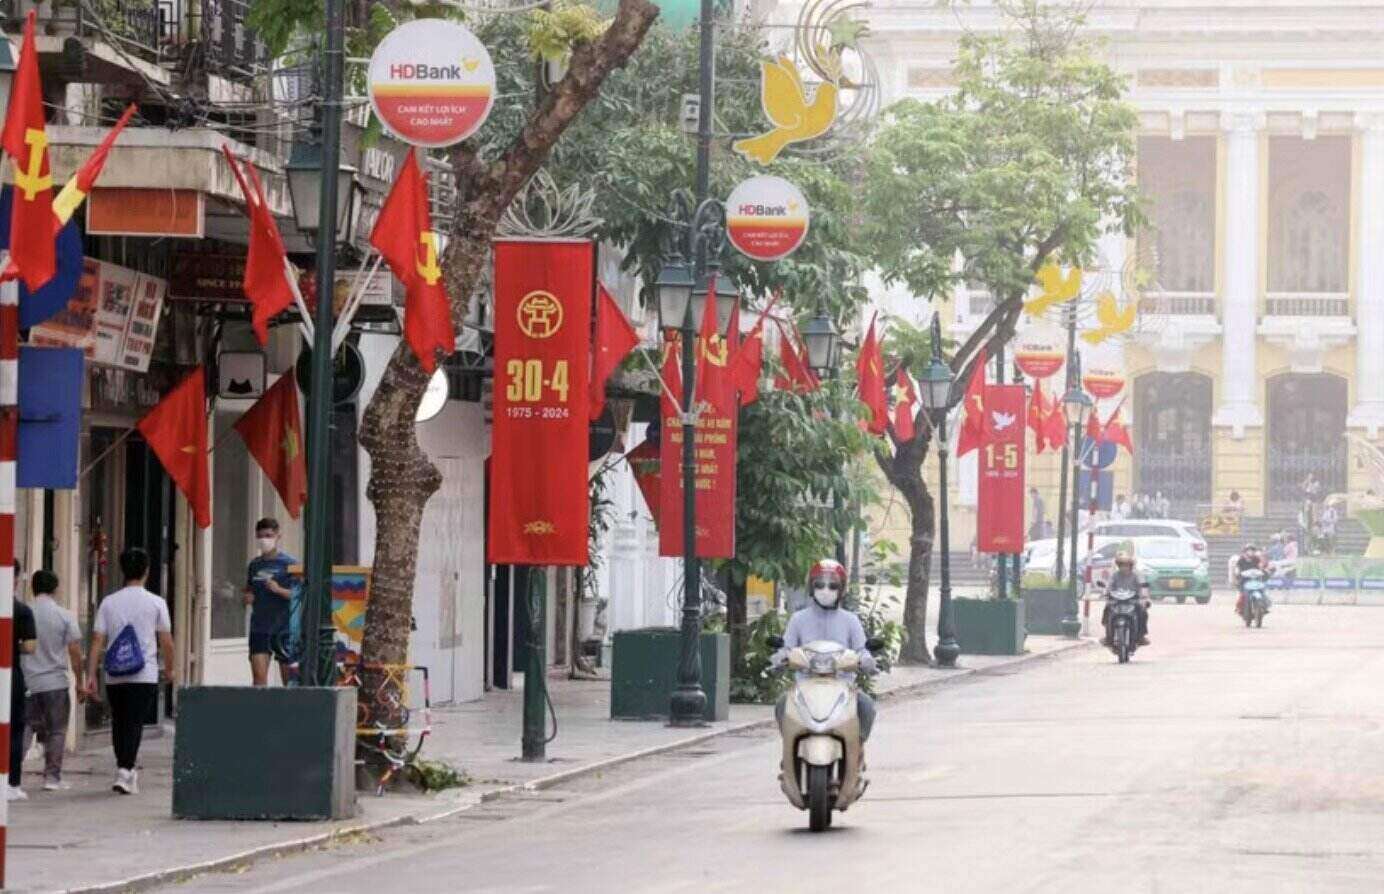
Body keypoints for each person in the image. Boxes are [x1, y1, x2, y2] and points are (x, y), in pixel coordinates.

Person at [86, 548, 174, 795]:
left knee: (119, 720)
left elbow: (96, 640)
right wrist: (171, 669)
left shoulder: (109, 602)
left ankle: (124, 768)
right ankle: (126, 770)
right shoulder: (156, 602)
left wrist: (91, 674)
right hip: (144, 673)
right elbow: (167, 641)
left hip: (115, 673)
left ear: (123, 570)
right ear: (146, 571)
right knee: (134, 722)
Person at [774, 559, 877, 740]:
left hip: (843, 685)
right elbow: (786, 647)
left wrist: (866, 660)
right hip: (805, 685)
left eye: (832, 585)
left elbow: (861, 649)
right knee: (782, 704)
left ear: (841, 589)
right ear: (812, 588)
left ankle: (858, 747)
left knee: (866, 705)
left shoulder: (850, 620)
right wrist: (780, 658)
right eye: (820, 585)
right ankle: (788, 752)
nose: (825, 590)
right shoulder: (798, 619)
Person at [22, 570, 83, 792]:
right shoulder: (64, 616)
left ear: (33, 588)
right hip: (55, 683)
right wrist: (80, 681)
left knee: (25, 727)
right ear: (56, 589)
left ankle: (10, 776)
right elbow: (75, 652)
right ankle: (52, 778)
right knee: (56, 731)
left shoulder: (23, 612)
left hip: (27, 682)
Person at [244, 518, 298, 686]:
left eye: (268, 535)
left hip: (284, 628)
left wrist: (278, 590)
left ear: (277, 536)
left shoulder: (290, 564)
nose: (264, 540)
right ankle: (260, 711)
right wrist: (248, 597)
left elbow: (300, 596)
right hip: (259, 627)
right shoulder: (255, 564)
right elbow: (249, 589)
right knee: (259, 680)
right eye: (260, 536)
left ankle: (289, 711)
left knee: (289, 681)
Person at [8, 561, 36, 802]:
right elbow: (29, 646)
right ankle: (11, 782)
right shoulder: (22, 610)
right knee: (15, 730)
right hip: (11, 675)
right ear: (15, 579)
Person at [1100, 551, 1150, 646]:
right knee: (1107, 609)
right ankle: (1108, 636)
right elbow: (1109, 585)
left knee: (1143, 612)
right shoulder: (1115, 575)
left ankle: (1141, 636)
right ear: (1119, 566)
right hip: (1117, 601)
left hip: (1132, 601)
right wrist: (1105, 592)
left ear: (1130, 566)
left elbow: (1143, 585)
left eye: (1126, 565)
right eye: (1122, 565)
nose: (1124, 567)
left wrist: (1144, 597)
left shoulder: (1136, 575)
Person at [1233, 543, 1270, 616]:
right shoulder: (1241, 560)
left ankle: (1264, 606)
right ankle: (1239, 608)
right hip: (1244, 581)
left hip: (1255, 580)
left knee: (1263, 592)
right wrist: (1237, 573)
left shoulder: (1256, 559)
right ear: (1245, 551)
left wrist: (1264, 570)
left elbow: (1260, 566)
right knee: (1242, 595)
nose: (1251, 552)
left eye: (1252, 550)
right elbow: (1237, 568)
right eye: (1249, 550)